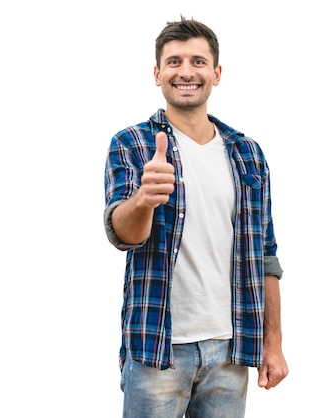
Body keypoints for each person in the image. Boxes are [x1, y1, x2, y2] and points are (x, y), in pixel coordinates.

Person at [103, 16, 289, 418]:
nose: (186, 71)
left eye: (198, 62)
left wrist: (272, 343)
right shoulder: (132, 144)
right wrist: (144, 200)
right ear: (157, 74)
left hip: (231, 349)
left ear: (216, 73)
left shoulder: (248, 153)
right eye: (173, 62)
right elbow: (123, 234)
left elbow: (266, 255)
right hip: (159, 349)